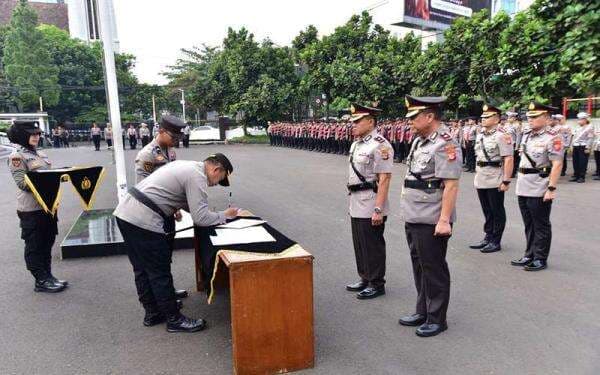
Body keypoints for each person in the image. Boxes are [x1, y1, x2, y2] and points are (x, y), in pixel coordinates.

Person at [113, 154, 238, 332]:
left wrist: (208, 212)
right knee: (159, 271)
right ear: (216, 170)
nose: (215, 184)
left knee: (142, 268)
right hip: (143, 219)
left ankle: (153, 313)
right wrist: (225, 215)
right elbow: (200, 218)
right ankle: (174, 320)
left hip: (126, 214)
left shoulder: (188, 166)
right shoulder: (198, 176)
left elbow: (189, 203)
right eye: (219, 180)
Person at [397, 95, 462, 337]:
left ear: (430, 116)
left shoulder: (445, 144)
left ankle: (437, 318)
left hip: (432, 217)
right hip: (414, 213)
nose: (410, 122)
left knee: (433, 268)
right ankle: (422, 309)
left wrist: (444, 220)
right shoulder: (420, 142)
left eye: (414, 117)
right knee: (419, 265)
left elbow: (451, 185)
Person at [7, 120, 68, 293]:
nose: (36, 136)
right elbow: (22, 183)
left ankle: (48, 276)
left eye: (38, 133)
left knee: (48, 241)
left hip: (48, 206)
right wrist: (50, 180)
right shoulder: (17, 157)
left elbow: (48, 173)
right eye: (32, 134)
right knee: (35, 244)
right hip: (31, 209)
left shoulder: (40, 153)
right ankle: (40, 279)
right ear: (21, 136)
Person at [134, 115, 189, 302]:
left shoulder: (170, 152)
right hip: (150, 215)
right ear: (161, 131)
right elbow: (144, 189)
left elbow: (172, 183)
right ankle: (159, 299)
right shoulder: (147, 154)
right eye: (173, 137)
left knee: (166, 255)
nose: (175, 141)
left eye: (177, 138)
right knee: (154, 260)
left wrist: (175, 208)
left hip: (166, 212)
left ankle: (167, 291)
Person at [344, 103, 393, 300]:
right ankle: (365, 277)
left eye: (357, 121)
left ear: (370, 122)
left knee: (372, 244)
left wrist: (378, 209)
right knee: (359, 243)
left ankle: (377, 283)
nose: (352, 124)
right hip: (356, 200)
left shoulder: (380, 145)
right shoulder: (356, 143)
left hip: (371, 201)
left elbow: (385, 179)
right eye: (352, 121)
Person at [511, 102, 564, 271]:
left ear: (547, 118)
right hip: (523, 184)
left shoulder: (552, 138)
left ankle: (540, 258)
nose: (530, 119)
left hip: (539, 185)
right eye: (529, 117)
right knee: (528, 223)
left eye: (534, 117)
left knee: (540, 224)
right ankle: (529, 254)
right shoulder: (526, 135)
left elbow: (557, 164)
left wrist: (551, 188)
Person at [469, 104, 514, 253]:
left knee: (497, 210)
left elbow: (508, 158)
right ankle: (488, 236)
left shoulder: (502, 135)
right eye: (482, 117)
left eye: (487, 117)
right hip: (481, 175)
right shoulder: (481, 134)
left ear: (496, 119)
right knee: (487, 210)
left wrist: (506, 180)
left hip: (495, 176)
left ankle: (496, 240)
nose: (483, 119)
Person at [570, 112, 594, 183]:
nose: (579, 121)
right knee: (575, 162)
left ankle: (581, 177)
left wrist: (588, 147)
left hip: (583, 146)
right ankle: (576, 175)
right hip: (576, 146)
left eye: (580, 119)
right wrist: (572, 145)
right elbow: (574, 137)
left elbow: (590, 138)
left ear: (585, 120)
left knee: (582, 162)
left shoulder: (590, 127)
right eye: (578, 119)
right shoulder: (578, 127)